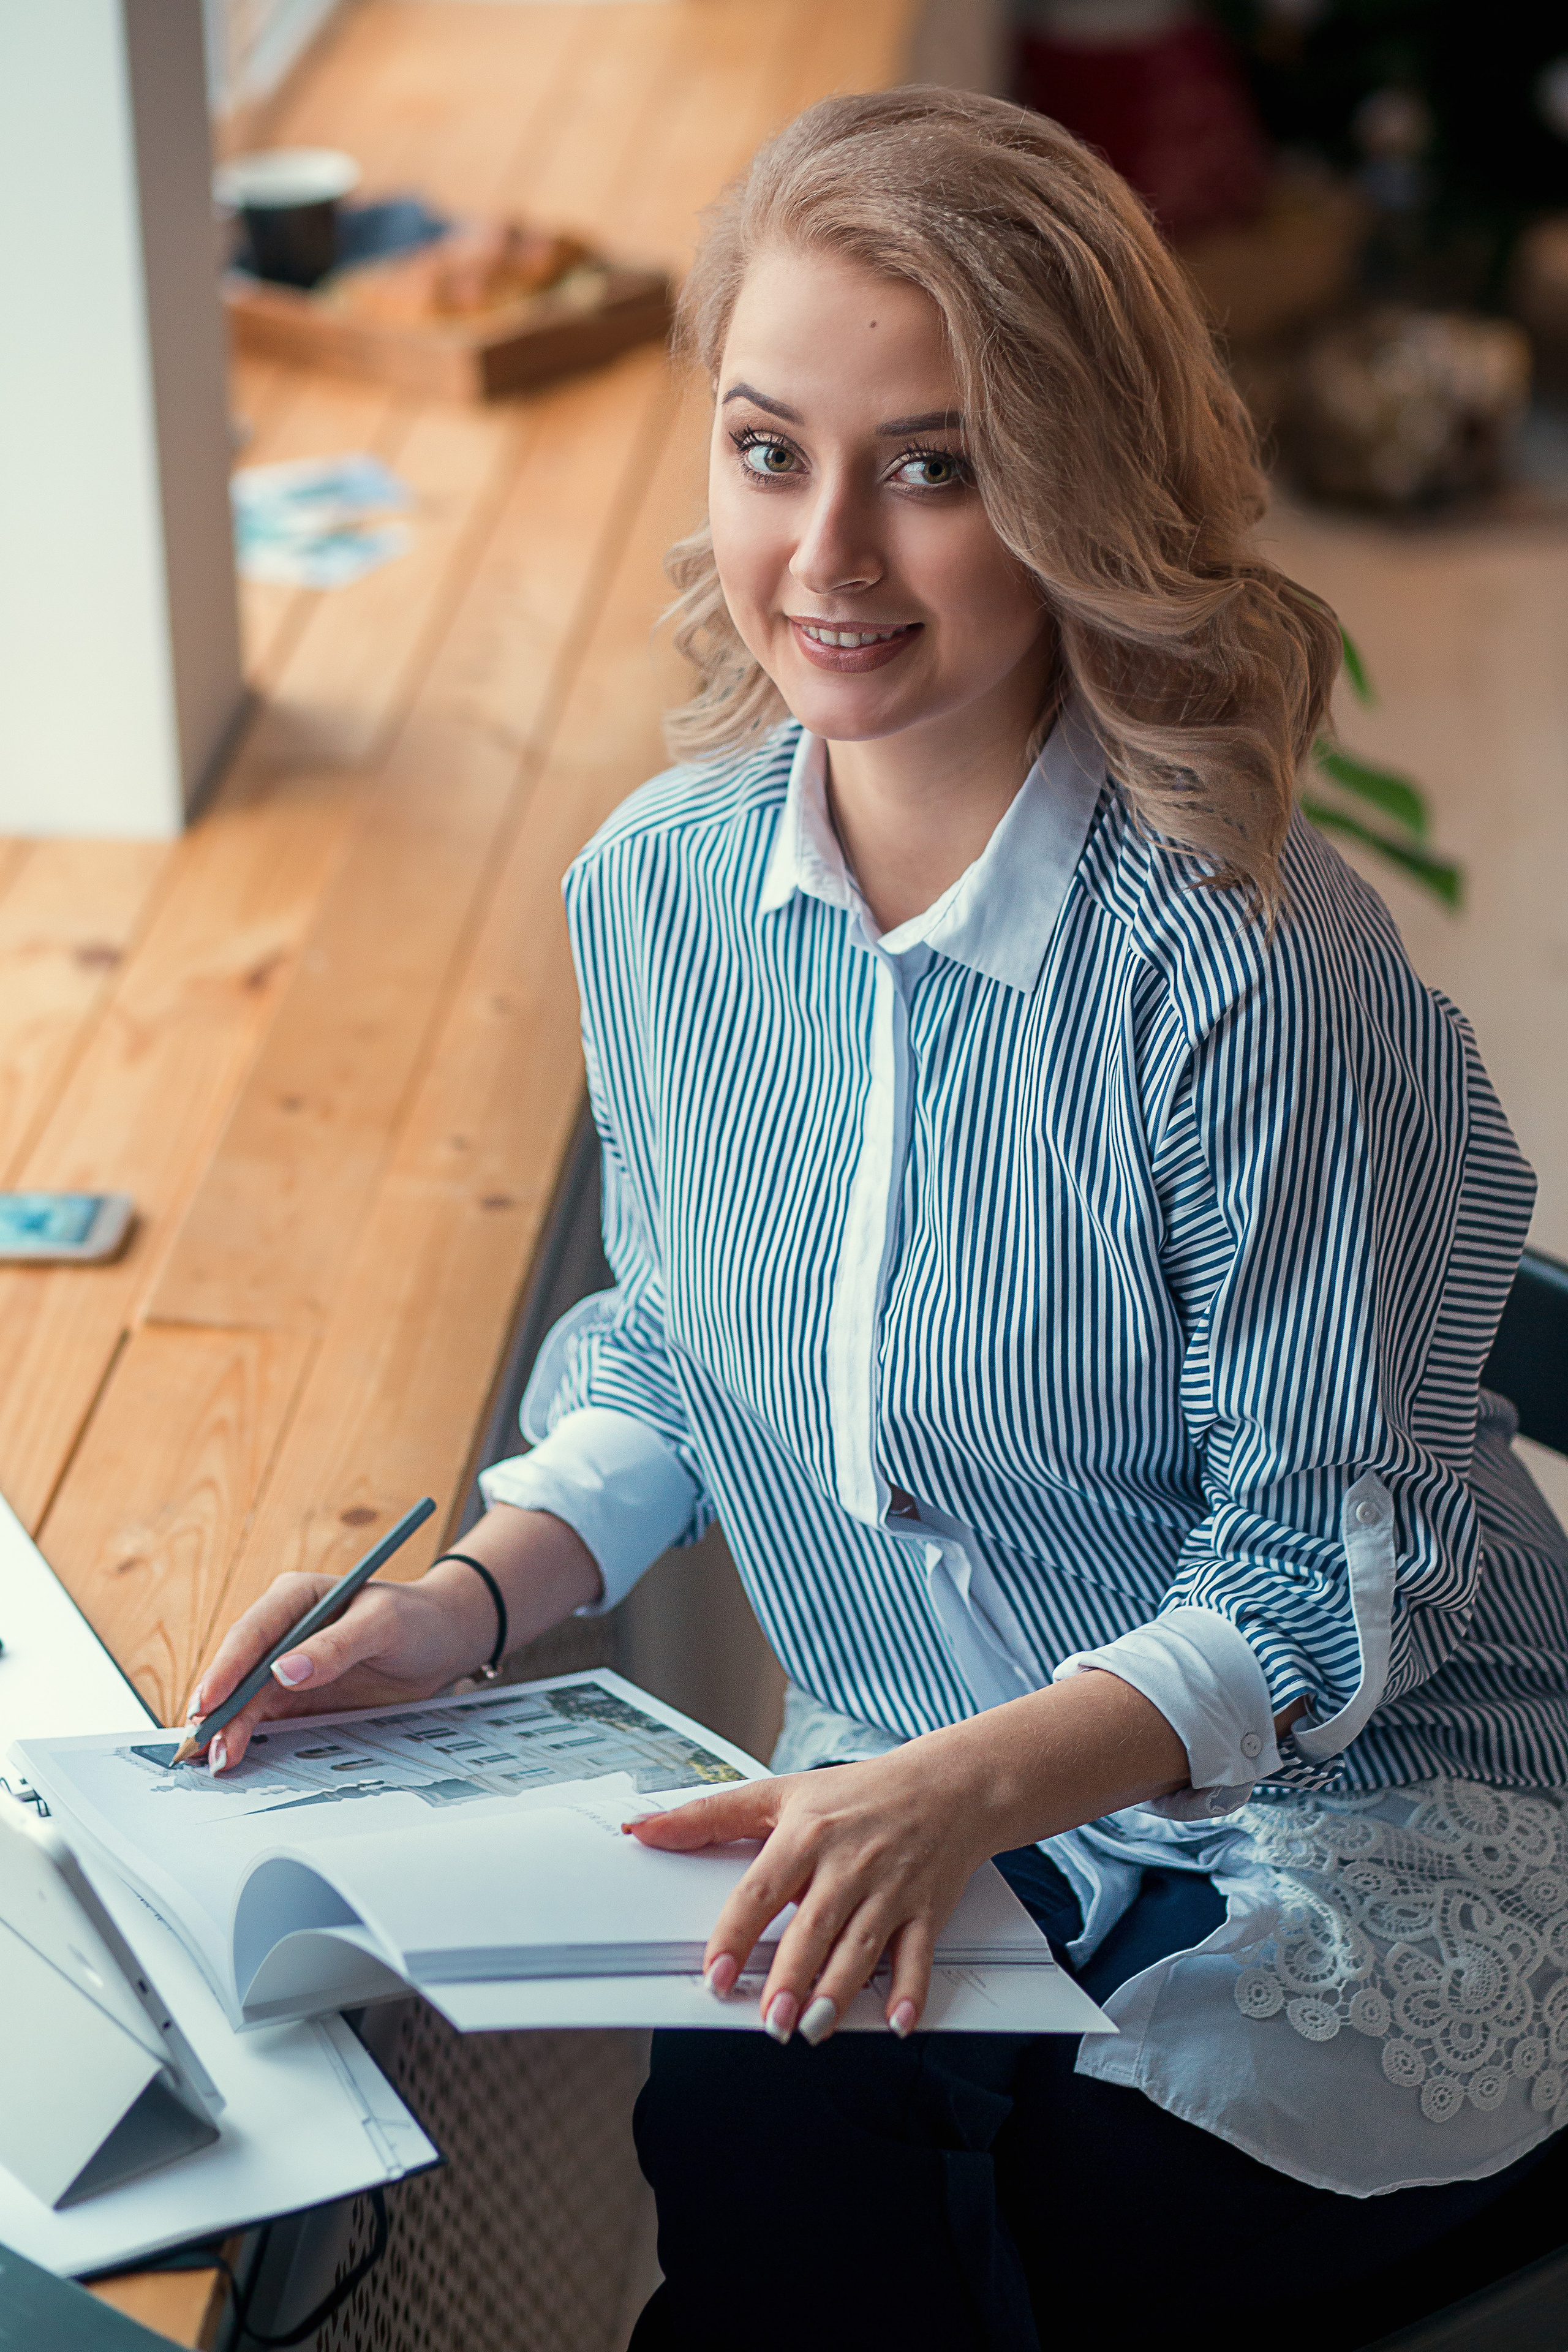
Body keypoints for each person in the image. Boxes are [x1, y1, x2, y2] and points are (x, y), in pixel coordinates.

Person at [192, 88, 1568, 2351]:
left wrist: (970, 1788)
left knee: (1012, 2212)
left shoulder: (1250, 975)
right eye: (768, 451)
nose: (827, 552)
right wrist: (458, 1607)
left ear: (1076, 495)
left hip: (1351, 1817)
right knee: (758, 2156)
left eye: (935, 467)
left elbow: (1333, 1583)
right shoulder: (654, 892)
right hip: (923, 1786)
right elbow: (675, 1351)